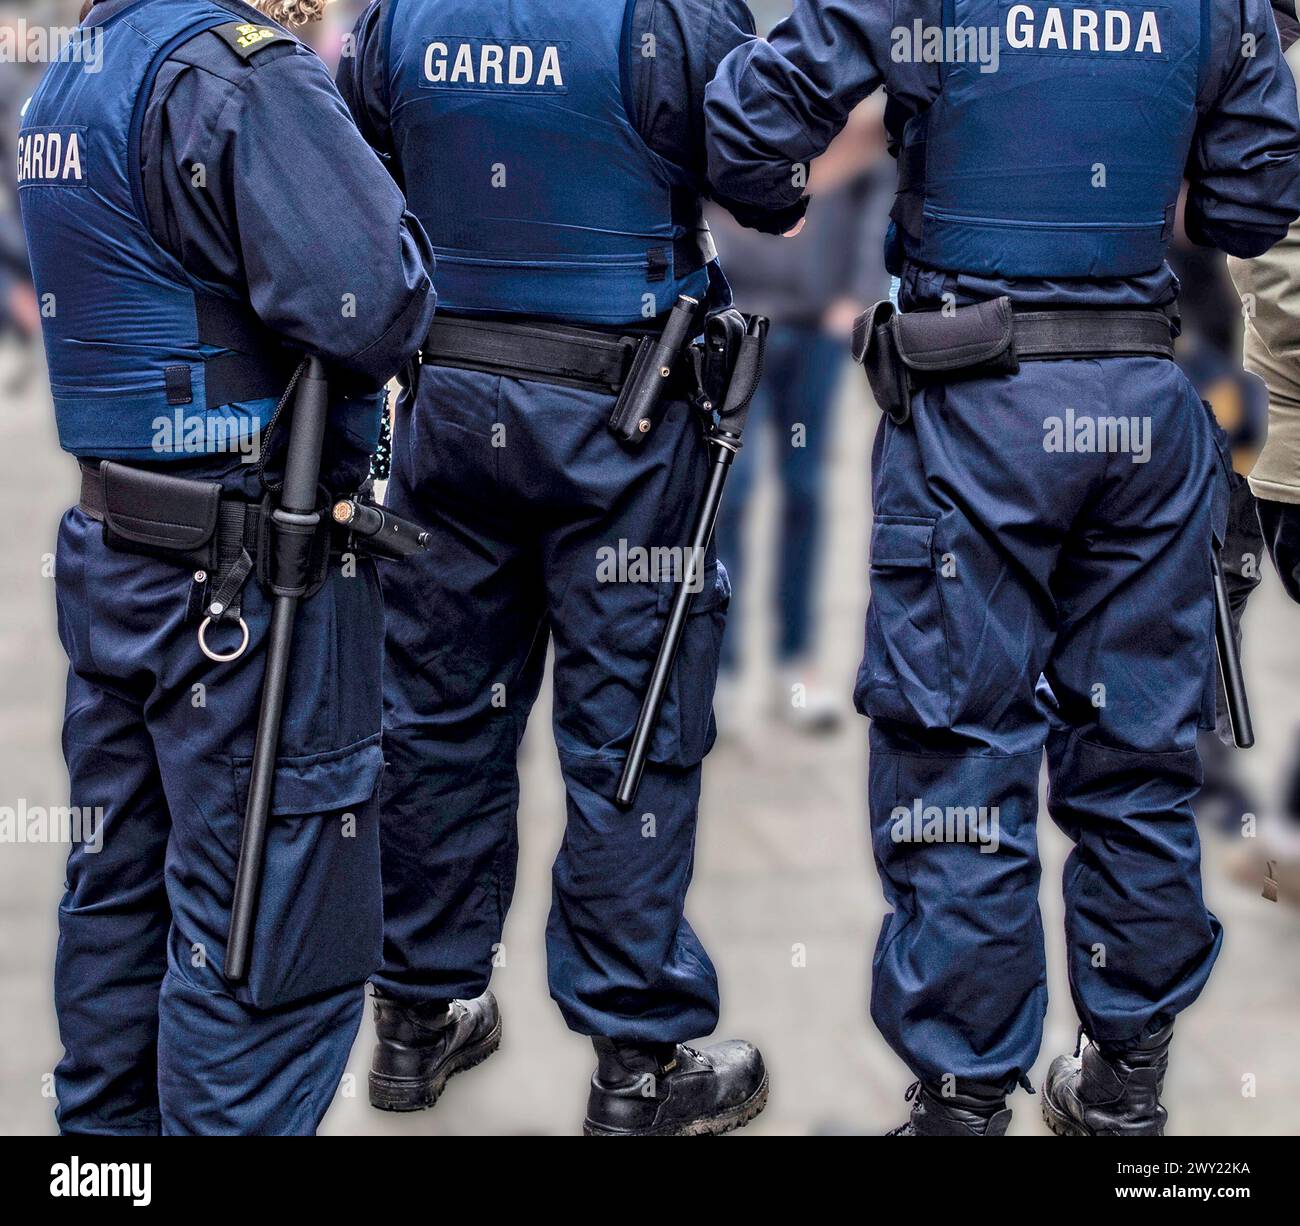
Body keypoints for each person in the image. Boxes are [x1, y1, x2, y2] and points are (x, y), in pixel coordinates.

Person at [705, 0, 1300, 1135]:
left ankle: (964, 1096)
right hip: (1137, 409)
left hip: (973, 407)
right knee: (1136, 756)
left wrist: (788, 191)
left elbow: (749, 126)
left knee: (956, 755)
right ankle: (1124, 1081)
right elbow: (1254, 202)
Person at [337, 0, 801, 1136]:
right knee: (631, 731)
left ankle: (412, 1015)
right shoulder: (670, 14)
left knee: (434, 713)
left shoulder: (403, 15)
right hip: (620, 424)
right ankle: (635, 1068)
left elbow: (360, 162)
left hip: (448, 410)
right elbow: (765, 181)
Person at [19, 0, 437, 1134]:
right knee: (268, 942)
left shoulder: (76, 69)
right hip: (251, 583)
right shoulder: (236, 73)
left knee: (118, 911)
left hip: (122, 554)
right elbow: (373, 303)